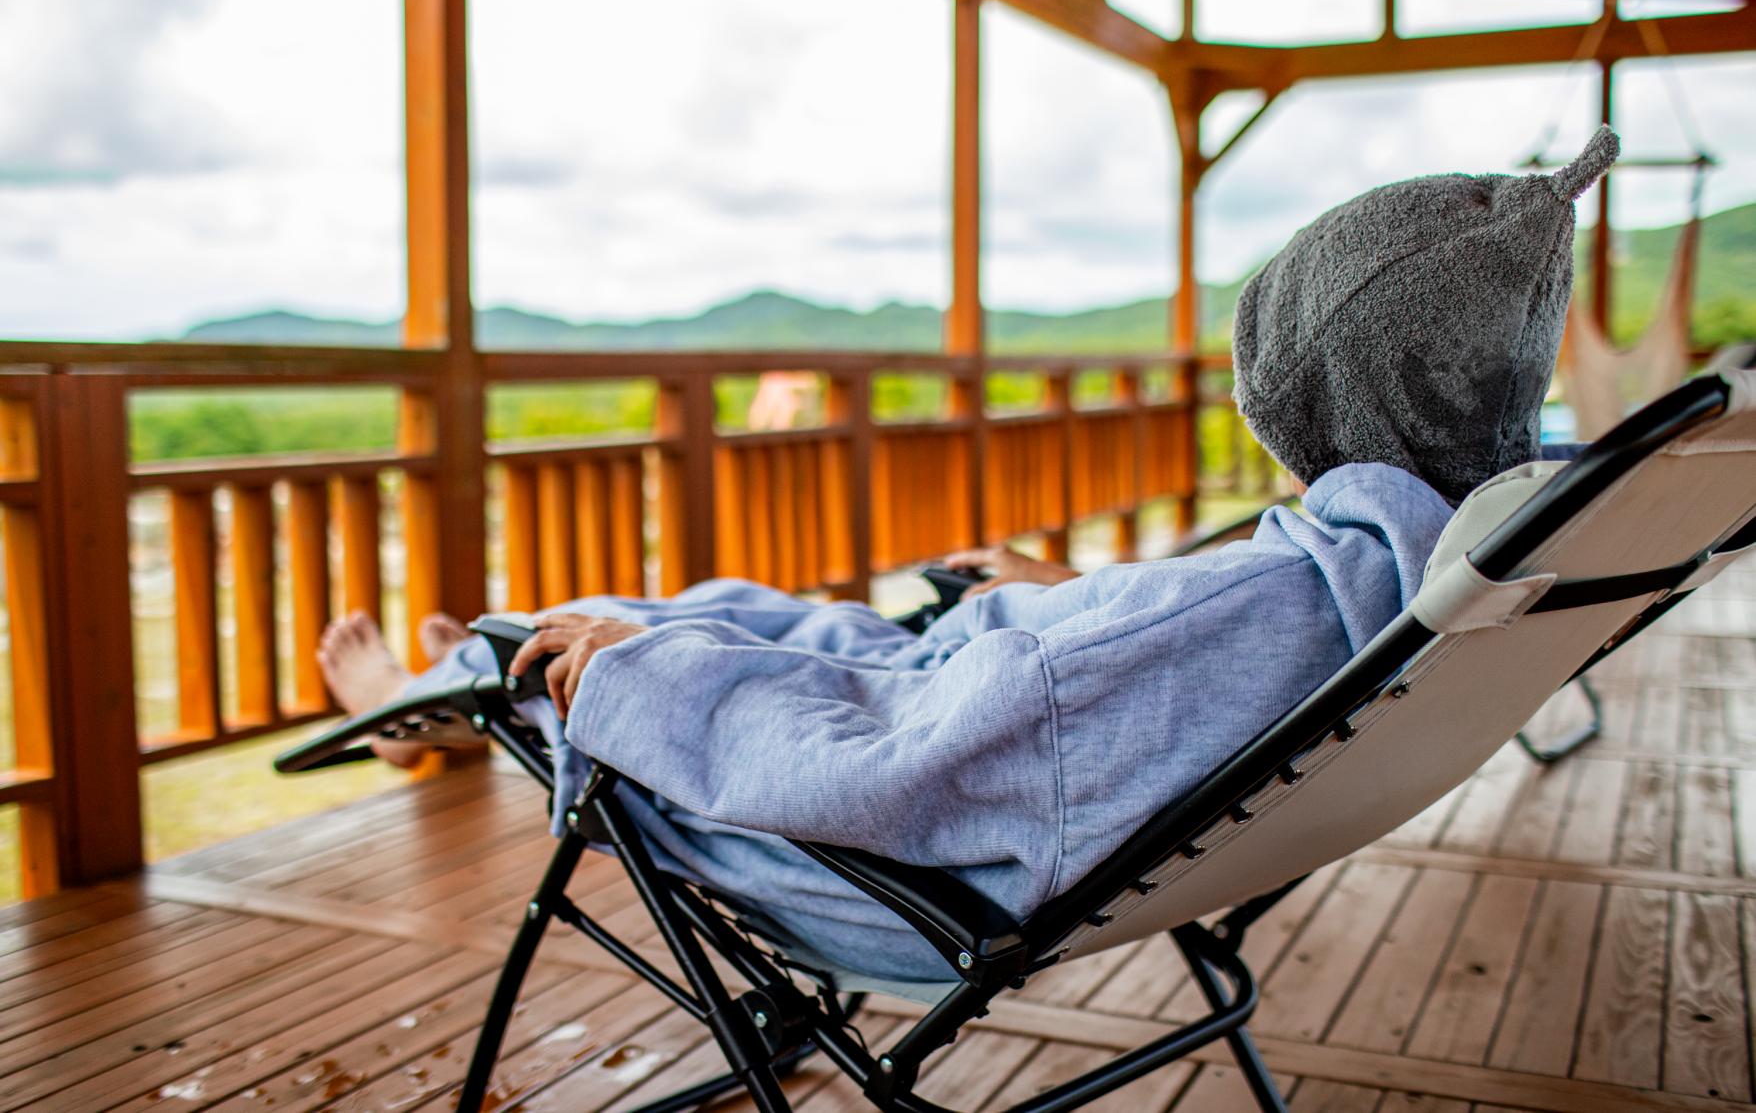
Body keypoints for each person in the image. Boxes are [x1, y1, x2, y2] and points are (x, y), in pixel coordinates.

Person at [318, 128, 1619, 982]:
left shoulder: (1241, 608)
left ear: (1305, 387)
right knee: (741, 607)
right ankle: (470, 695)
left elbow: (889, 765)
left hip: (902, 877)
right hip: (1064, 787)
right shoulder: (1433, 567)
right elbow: (1160, 655)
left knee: (630, 652)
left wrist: (647, 676)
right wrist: (1083, 602)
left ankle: (460, 692)